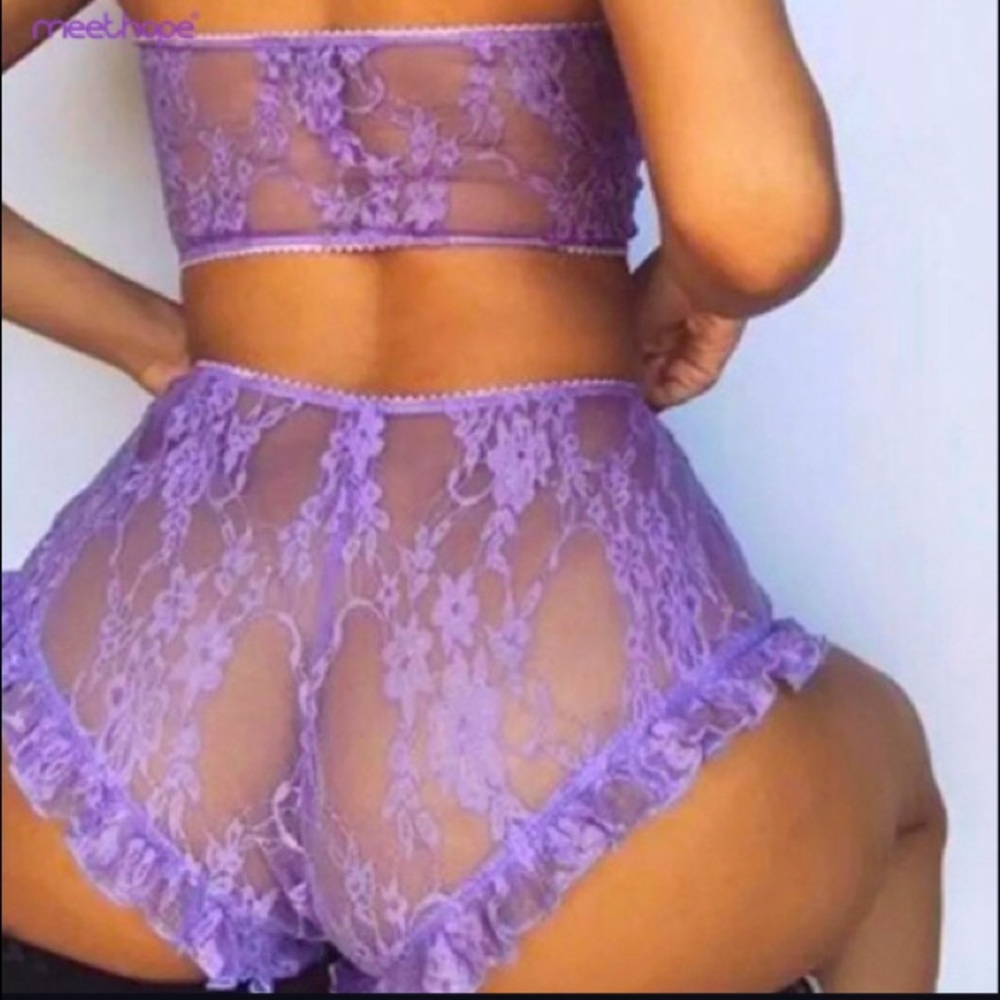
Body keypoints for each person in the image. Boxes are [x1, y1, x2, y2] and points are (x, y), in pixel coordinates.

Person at [1, 0, 946, 993]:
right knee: (894, 785)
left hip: (146, 667)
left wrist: (146, 338)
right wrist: (691, 289)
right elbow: (758, 224)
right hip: (532, 670)